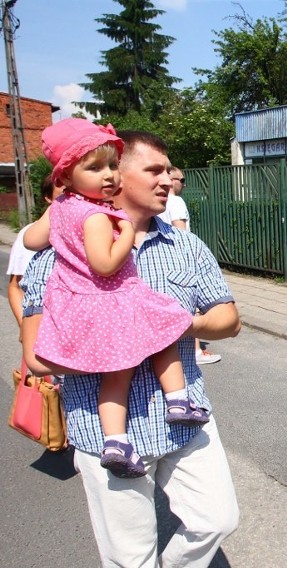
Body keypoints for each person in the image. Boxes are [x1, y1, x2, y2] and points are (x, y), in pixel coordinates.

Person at [20, 129, 241, 566]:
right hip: (107, 435)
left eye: (169, 170)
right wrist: (116, 346)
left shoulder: (185, 246)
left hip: (183, 418)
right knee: (130, 558)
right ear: (115, 177)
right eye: (155, 170)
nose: (169, 179)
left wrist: (169, 326)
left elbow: (228, 320)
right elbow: (35, 357)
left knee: (217, 520)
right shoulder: (59, 257)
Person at [23, 118, 208, 479]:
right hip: (113, 298)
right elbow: (106, 264)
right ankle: (178, 400)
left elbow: (31, 240)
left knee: (117, 378)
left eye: (111, 166)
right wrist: (122, 231)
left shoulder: (60, 209)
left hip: (77, 303)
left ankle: (116, 441)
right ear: (65, 176)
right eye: (95, 168)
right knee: (166, 330)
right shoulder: (99, 217)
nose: (108, 175)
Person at [158, 165, 223, 366]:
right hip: (178, 263)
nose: (183, 185)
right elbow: (181, 232)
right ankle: (195, 351)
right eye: (182, 180)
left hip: (163, 259)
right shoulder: (175, 201)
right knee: (190, 307)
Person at [6, 175, 62, 337]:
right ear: (48, 198)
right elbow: (15, 287)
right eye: (63, 190)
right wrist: (25, 327)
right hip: (41, 326)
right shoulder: (31, 234)